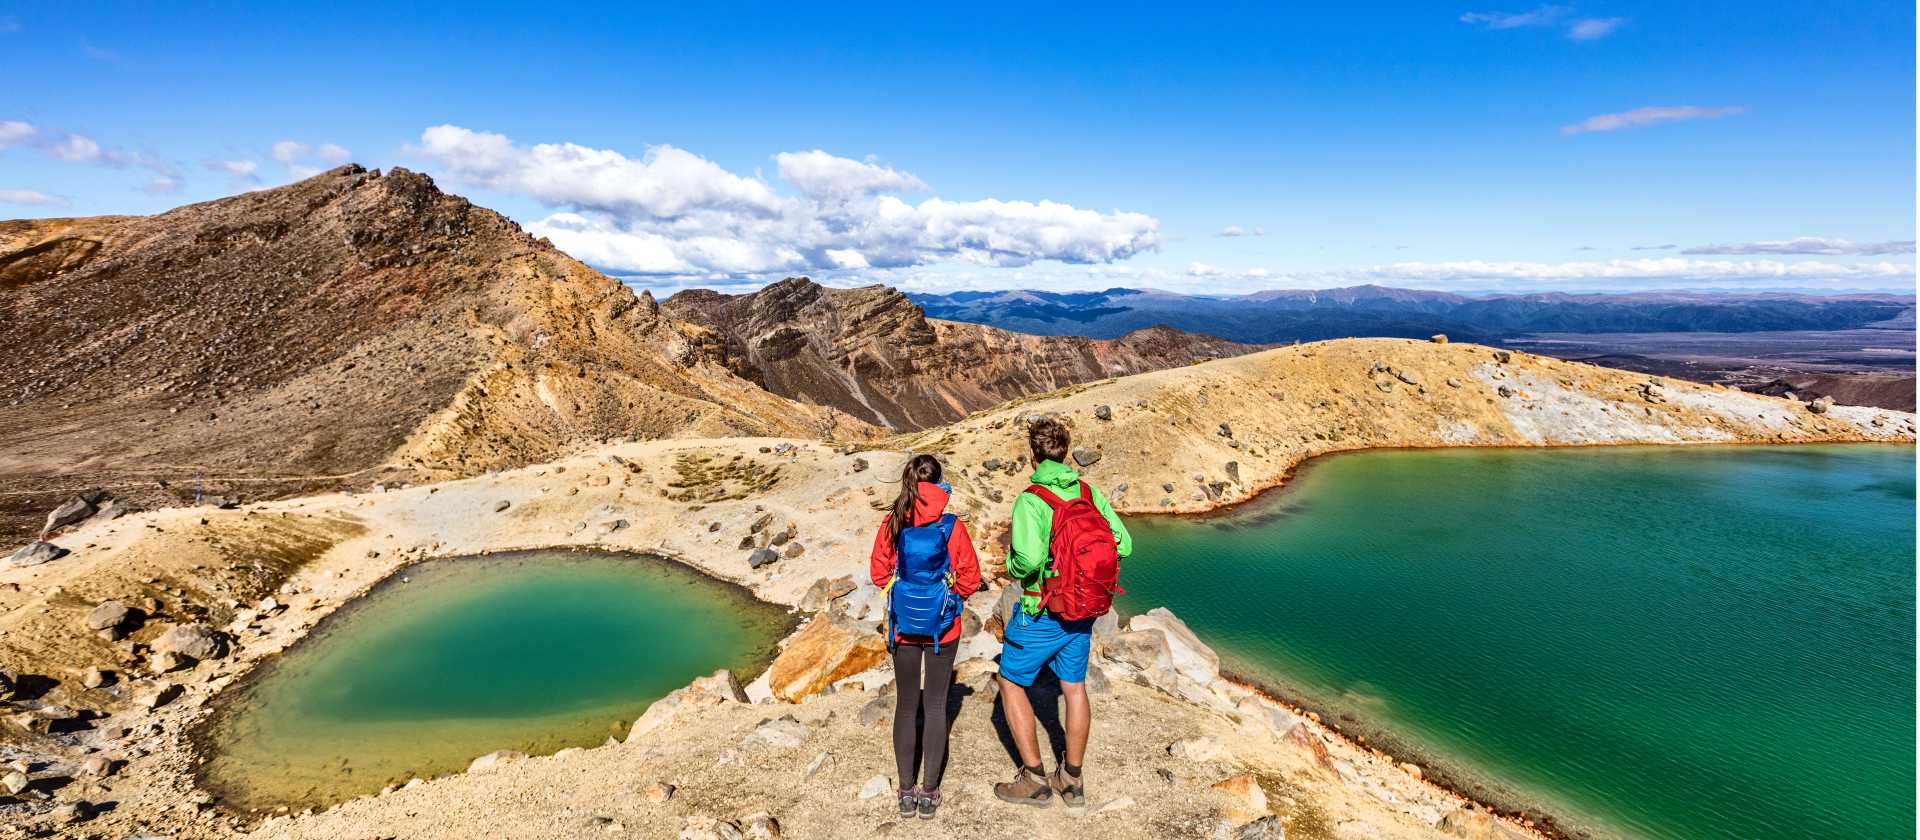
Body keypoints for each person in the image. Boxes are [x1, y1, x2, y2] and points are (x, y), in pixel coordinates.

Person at [994, 417, 1130, 808]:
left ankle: (1034, 779)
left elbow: (1028, 561)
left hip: (1043, 610)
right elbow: (1125, 544)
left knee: (1010, 681)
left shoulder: (1031, 499)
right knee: (1074, 688)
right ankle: (1071, 780)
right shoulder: (1088, 492)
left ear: (1033, 454)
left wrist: (1016, 565)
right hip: (1084, 611)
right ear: (1066, 451)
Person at [869, 454, 980, 820]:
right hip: (942, 629)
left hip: (904, 626)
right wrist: (948, 599)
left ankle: (905, 791)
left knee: (906, 705)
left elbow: (877, 572)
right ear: (940, 482)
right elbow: (970, 577)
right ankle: (929, 792)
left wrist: (902, 590)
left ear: (908, 482)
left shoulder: (894, 521)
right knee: (935, 706)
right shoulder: (951, 526)